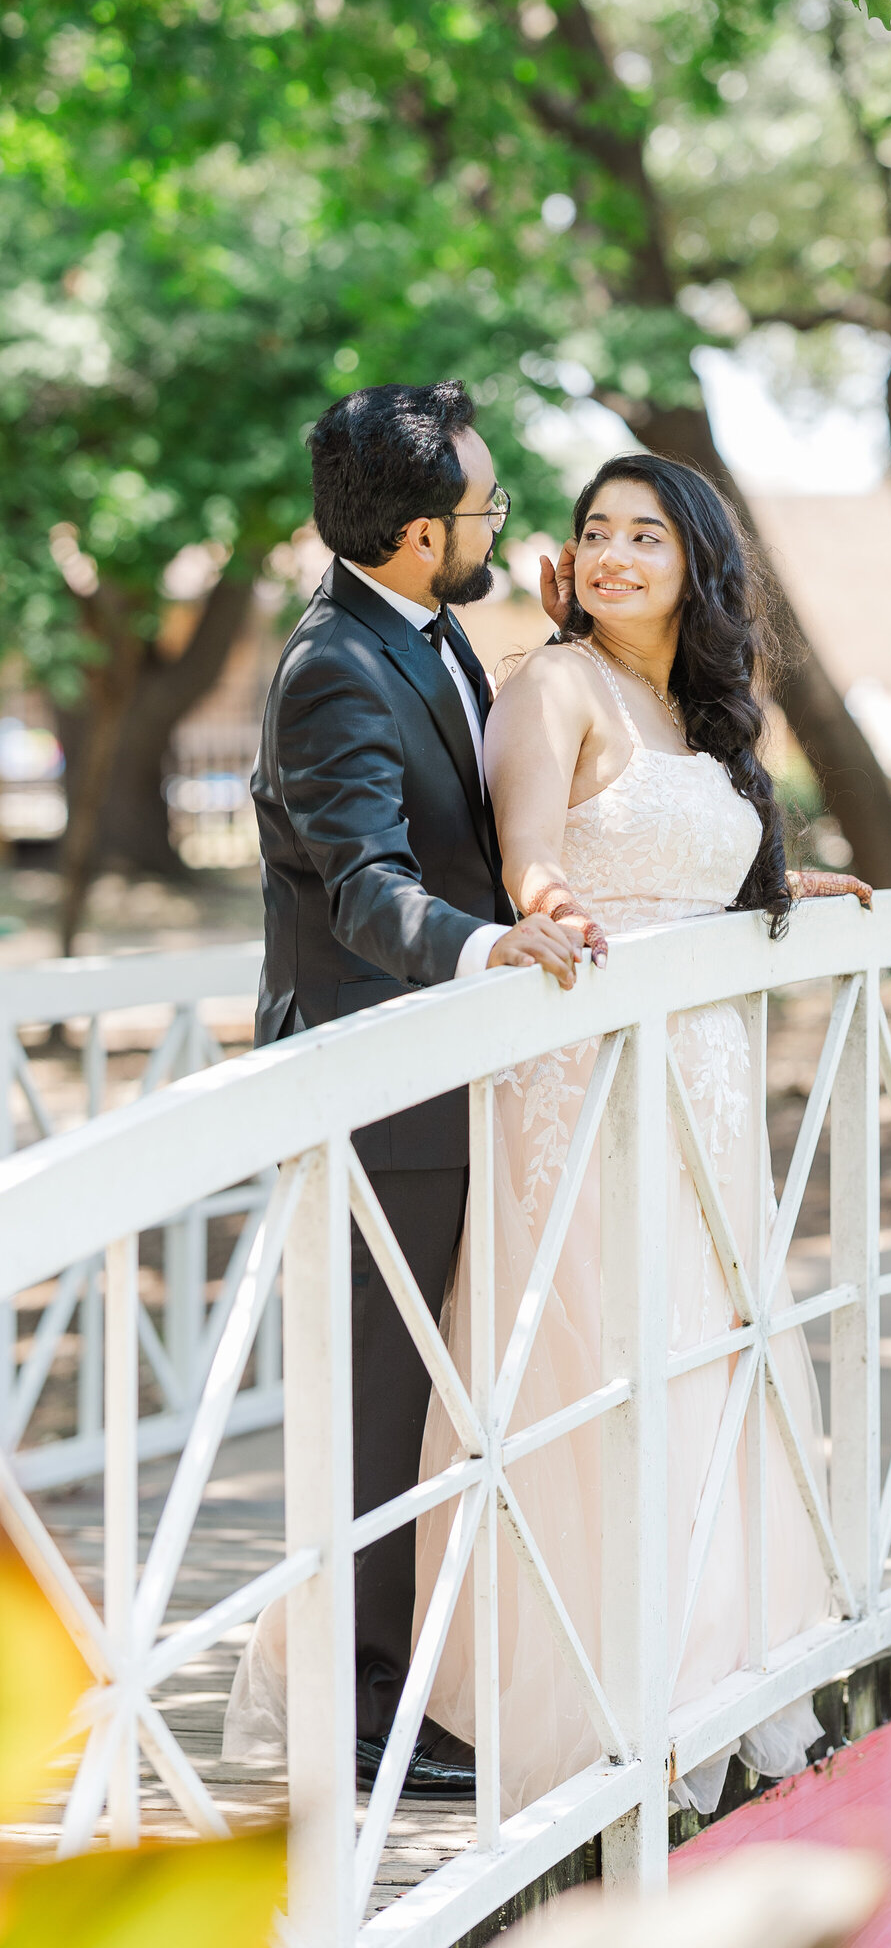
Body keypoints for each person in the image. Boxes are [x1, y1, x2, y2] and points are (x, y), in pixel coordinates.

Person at [415, 452, 871, 1813]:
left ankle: (720, 1671)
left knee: (712, 1355)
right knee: (605, 1357)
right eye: (595, 532)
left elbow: (703, 866)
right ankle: (612, 1700)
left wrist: (782, 893)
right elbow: (532, 857)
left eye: (646, 536)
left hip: (710, 1084)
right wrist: (548, 913)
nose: (613, 555)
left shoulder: (707, 711)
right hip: (591, 1067)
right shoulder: (551, 684)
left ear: (696, 564)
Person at [226, 382, 580, 1796]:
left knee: (428, 1406)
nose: (498, 525)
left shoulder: (420, 632)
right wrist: (498, 948)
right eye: (485, 510)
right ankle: (356, 1716)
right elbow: (370, 890)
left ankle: (395, 1680)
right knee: (377, 1410)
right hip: (379, 1091)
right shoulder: (330, 668)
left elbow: (469, 810)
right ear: (424, 532)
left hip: (442, 1085)